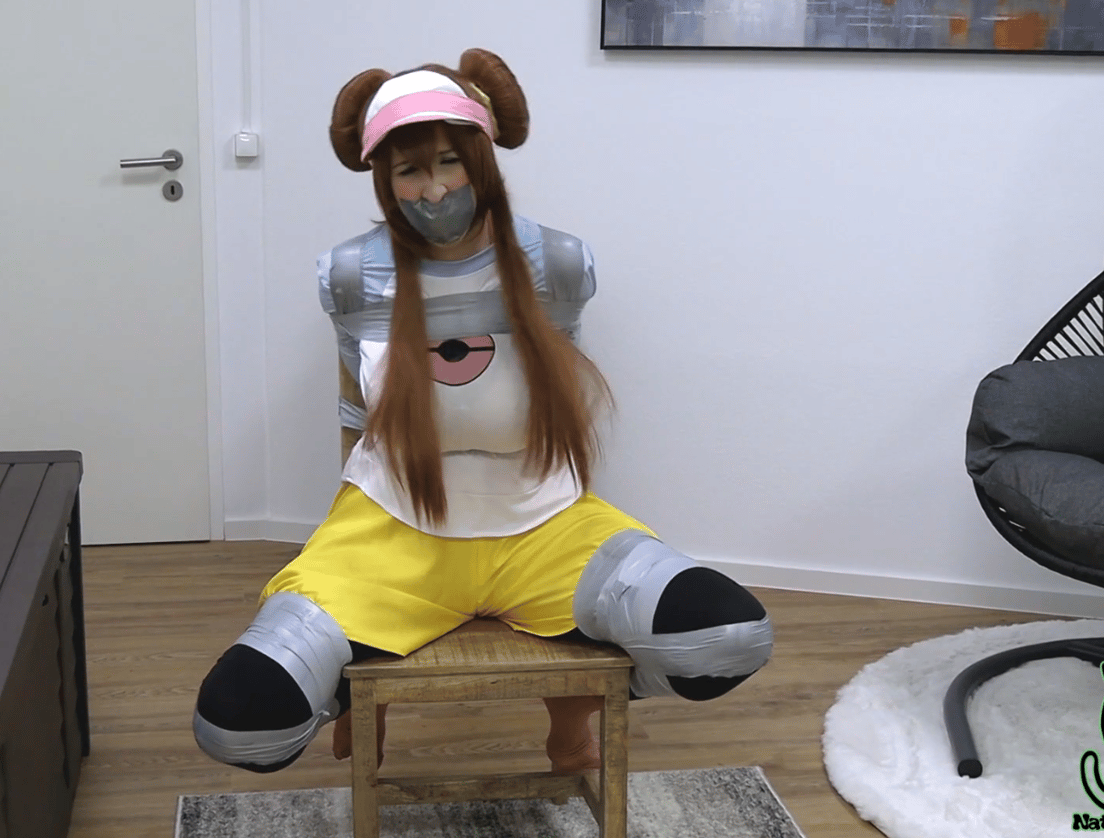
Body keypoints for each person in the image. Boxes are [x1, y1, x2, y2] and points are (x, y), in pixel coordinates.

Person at [193, 48, 773, 775]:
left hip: (541, 524)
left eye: (448, 162)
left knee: (729, 638)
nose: (434, 190)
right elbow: (355, 412)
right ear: (384, 182)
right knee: (241, 726)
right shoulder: (353, 276)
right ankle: (357, 687)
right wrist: (337, 540)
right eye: (408, 171)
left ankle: (575, 708)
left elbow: (561, 397)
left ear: (483, 158)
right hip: (395, 528)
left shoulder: (554, 264)